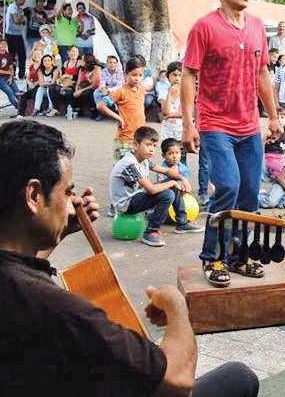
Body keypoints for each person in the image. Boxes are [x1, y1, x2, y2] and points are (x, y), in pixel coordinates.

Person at [0, 120, 259, 397]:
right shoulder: (59, 309)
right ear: (34, 195)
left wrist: (58, 230)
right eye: (65, 192)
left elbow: (21, 262)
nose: (71, 201)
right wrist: (177, 307)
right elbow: (177, 380)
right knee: (239, 376)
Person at [181, 0, 281, 288]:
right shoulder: (204, 28)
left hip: (249, 125)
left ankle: (240, 256)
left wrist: (274, 116)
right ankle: (213, 257)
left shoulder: (255, 27)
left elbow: (263, 73)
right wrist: (188, 124)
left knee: (251, 193)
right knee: (228, 186)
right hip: (215, 124)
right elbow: (188, 75)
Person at [110, 127, 203, 246]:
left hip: (136, 196)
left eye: (154, 146)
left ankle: (182, 223)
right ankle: (151, 231)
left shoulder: (144, 160)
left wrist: (182, 178)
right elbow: (151, 189)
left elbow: (167, 171)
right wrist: (173, 183)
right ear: (135, 145)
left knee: (172, 183)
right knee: (167, 194)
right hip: (126, 204)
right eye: (148, 145)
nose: (151, 149)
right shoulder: (130, 164)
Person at [97, 55, 147, 161]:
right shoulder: (121, 91)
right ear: (125, 74)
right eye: (134, 75)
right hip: (124, 138)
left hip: (139, 137)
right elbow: (101, 105)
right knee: (121, 169)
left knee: (138, 169)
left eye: (140, 75)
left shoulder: (141, 89)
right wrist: (118, 118)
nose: (137, 78)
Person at [4, 0, 26, 78]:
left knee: (22, 55)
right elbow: (17, 21)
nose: (24, 1)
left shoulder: (20, 9)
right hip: (11, 34)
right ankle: (11, 74)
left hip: (19, 34)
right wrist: (21, 19)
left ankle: (21, 74)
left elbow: (23, 21)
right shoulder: (12, 7)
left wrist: (21, 19)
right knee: (12, 55)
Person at [160, 61, 184, 143]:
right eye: (174, 75)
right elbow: (165, 112)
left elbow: (187, 113)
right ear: (168, 76)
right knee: (168, 154)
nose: (177, 78)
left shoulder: (186, 93)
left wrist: (171, 115)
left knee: (181, 154)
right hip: (167, 132)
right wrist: (170, 94)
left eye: (180, 75)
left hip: (182, 132)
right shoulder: (164, 93)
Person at [263, 108, 285, 182]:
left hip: (281, 157)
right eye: (277, 118)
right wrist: (266, 138)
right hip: (270, 157)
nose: (280, 120)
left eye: (282, 117)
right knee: (281, 170)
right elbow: (261, 142)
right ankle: (272, 173)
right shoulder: (271, 131)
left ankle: (273, 172)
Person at [15, 48, 42, 116]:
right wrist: (30, 83)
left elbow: (46, 78)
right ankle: (20, 114)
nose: (36, 55)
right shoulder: (31, 66)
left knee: (34, 94)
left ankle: (39, 111)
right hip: (33, 86)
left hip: (41, 86)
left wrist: (37, 83)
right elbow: (28, 78)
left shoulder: (43, 65)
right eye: (34, 54)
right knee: (24, 96)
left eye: (38, 54)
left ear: (42, 55)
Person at [0, 38, 19, 111]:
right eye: (1, 44)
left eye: (5, 44)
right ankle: (18, 108)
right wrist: (8, 72)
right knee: (9, 92)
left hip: (8, 77)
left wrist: (11, 77)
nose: (3, 45)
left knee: (17, 92)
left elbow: (11, 68)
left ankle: (23, 108)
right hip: (0, 79)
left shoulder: (8, 55)